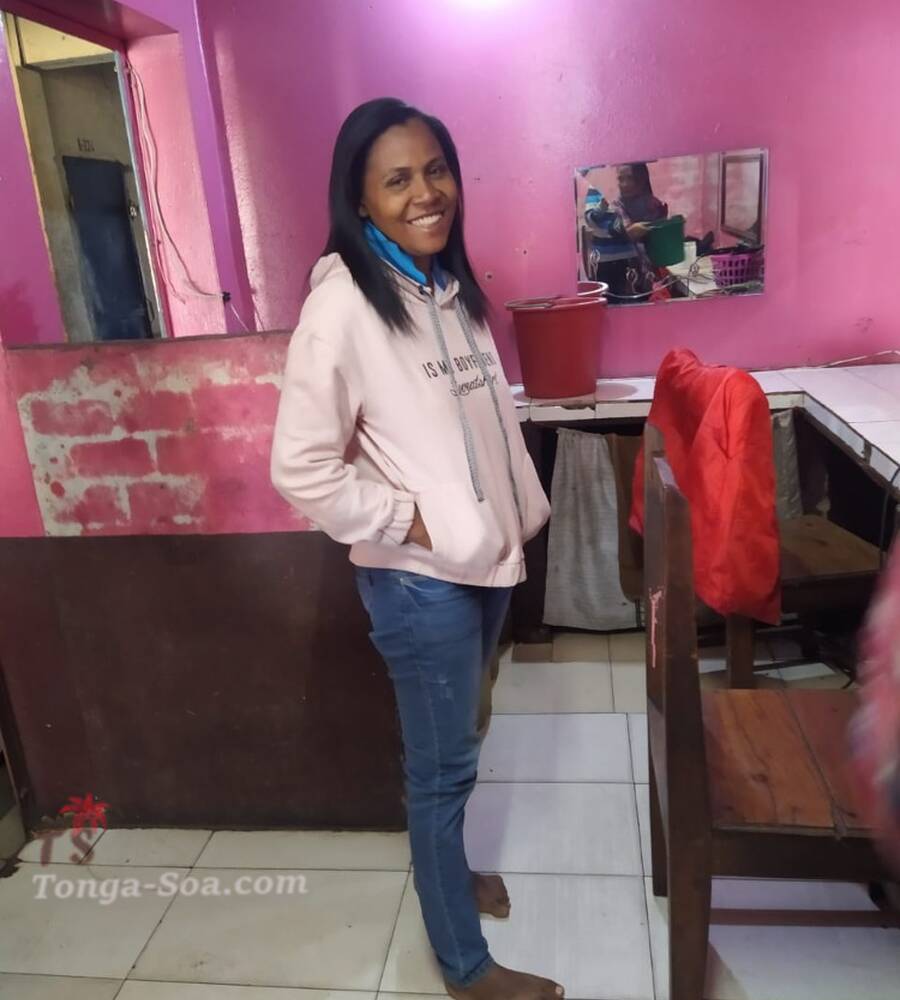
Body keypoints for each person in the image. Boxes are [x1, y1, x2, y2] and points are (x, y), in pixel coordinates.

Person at [270, 98, 561, 1000]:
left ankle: (452, 876)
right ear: (360, 201)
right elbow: (300, 467)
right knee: (441, 772)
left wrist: (491, 522)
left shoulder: (449, 291)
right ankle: (465, 967)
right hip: (421, 583)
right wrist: (411, 522)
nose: (426, 192)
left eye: (435, 170)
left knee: (460, 743)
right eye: (397, 179)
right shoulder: (343, 308)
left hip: (486, 567)